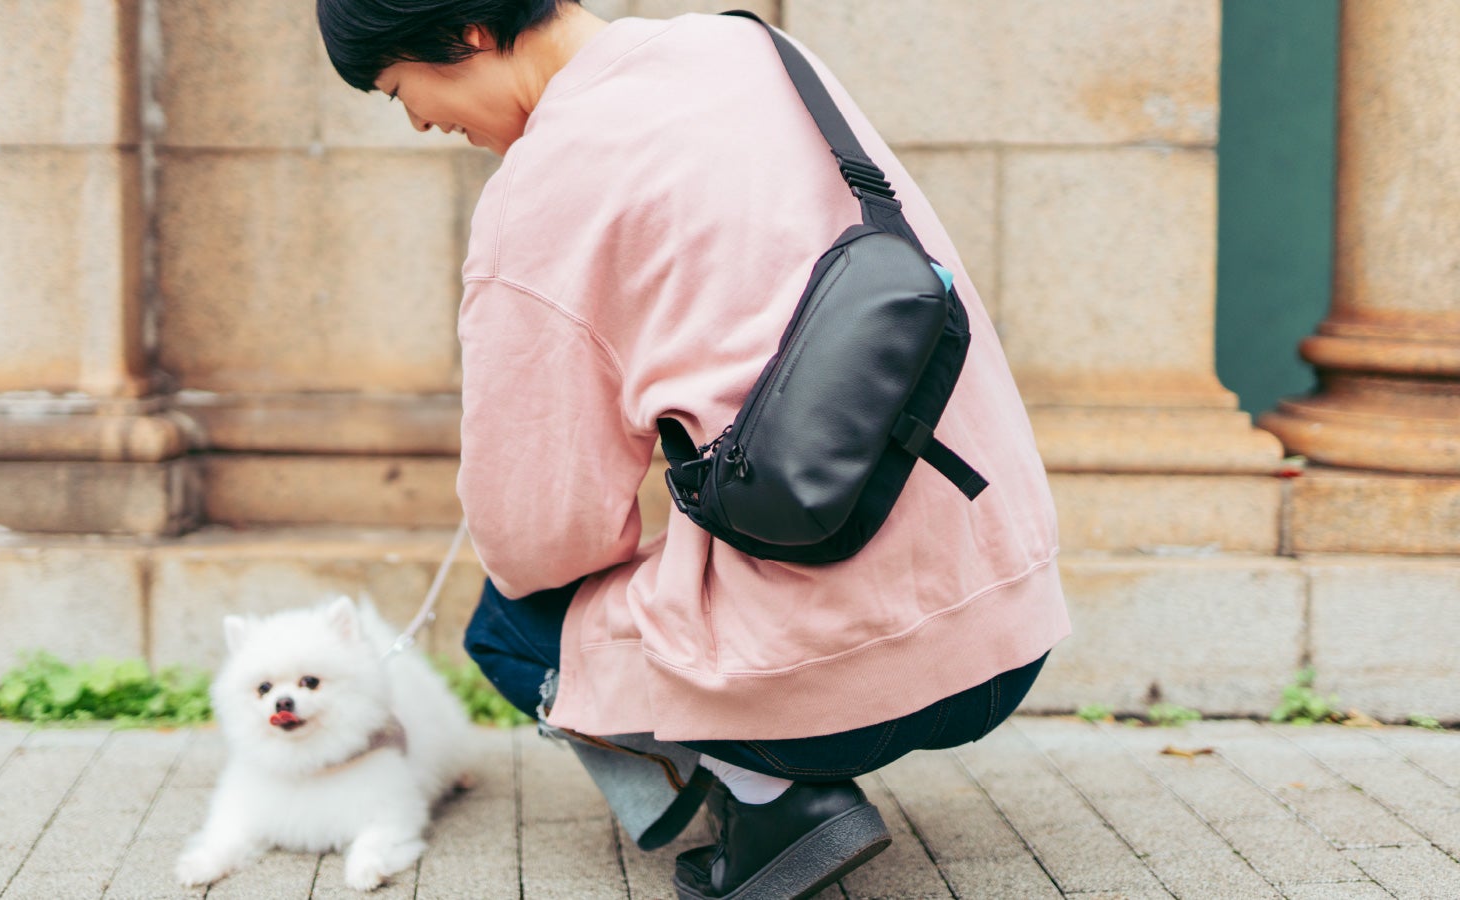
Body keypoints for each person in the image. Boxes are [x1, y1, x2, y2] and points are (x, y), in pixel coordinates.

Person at [318, 2, 1069, 896]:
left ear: (471, 32)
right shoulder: (749, 45)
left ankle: (770, 796)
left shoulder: (541, 189)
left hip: (854, 677)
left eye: (401, 88)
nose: (419, 121)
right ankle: (760, 785)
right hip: (1007, 616)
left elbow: (539, 536)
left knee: (510, 623)